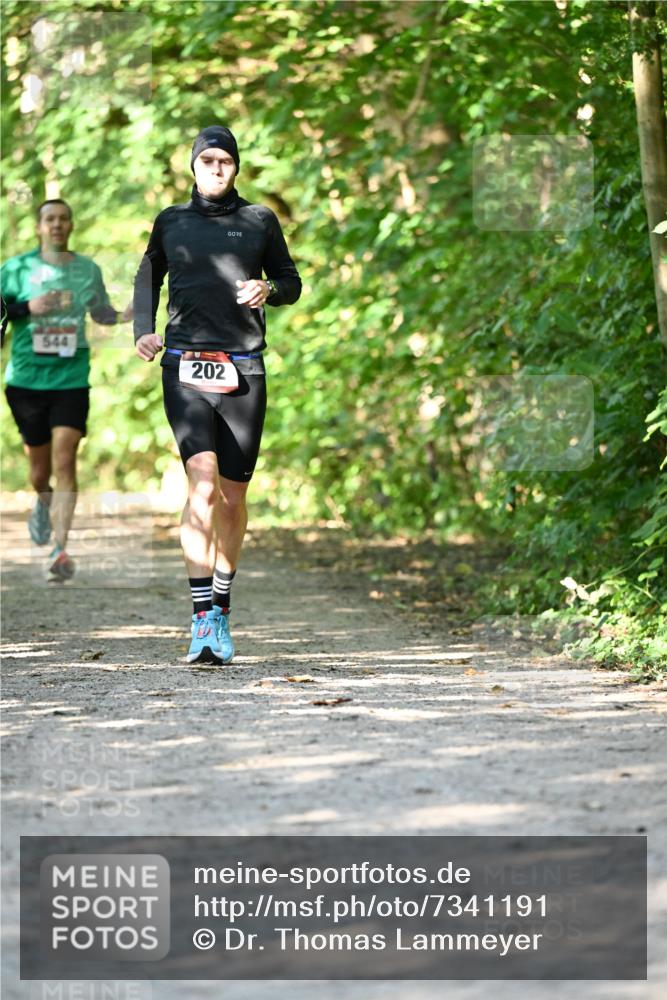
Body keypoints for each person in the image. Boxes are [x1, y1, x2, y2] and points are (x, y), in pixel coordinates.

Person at [133, 125, 301, 664]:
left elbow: (291, 282)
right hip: (184, 364)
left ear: (236, 167)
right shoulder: (171, 222)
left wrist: (268, 289)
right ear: (193, 166)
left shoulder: (259, 221)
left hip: (244, 371)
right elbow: (147, 274)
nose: (215, 168)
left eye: (224, 160)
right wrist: (144, 327)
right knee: (200, 484)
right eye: (206, 159)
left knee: (233, 496)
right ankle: (202, 618)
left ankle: (222, 606)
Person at [1, 198, 132, 581]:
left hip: (71, 379)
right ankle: (42, 501)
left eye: (63, 219)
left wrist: (125, 314)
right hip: (26, 381)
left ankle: (60, 549)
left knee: (64, 459)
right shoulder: (15, 269)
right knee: (40, 473)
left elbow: (100, 313)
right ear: (39, 227)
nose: (57, 225)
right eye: (49, 219)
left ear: (71, 225)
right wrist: (28, 307)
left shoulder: (87, 270)